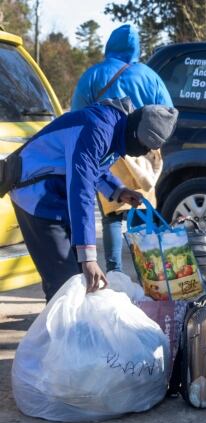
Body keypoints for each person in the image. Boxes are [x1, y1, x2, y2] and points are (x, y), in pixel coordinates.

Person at [9, 99, 178, 301]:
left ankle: (69, 327)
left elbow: (95, 166)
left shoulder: (118, 127)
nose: (145, 152)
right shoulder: (97, 128)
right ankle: (62, 330)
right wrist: (89, 256)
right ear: (135, 134)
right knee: (65, 283)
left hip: (57, 195)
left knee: (78, 280)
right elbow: (81, 187)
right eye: (145, 146)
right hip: (35, 193)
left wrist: (118, 190)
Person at [71, 24, 173, 273]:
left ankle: (114, 273)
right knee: (142, 211)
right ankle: (150, 274)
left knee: (113, 216)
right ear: (137, 48)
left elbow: (77, 116)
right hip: (145, 152)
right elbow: (168, 114)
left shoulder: (93, 75)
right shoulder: (150, 76)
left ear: (109, 45)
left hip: (107, 150)